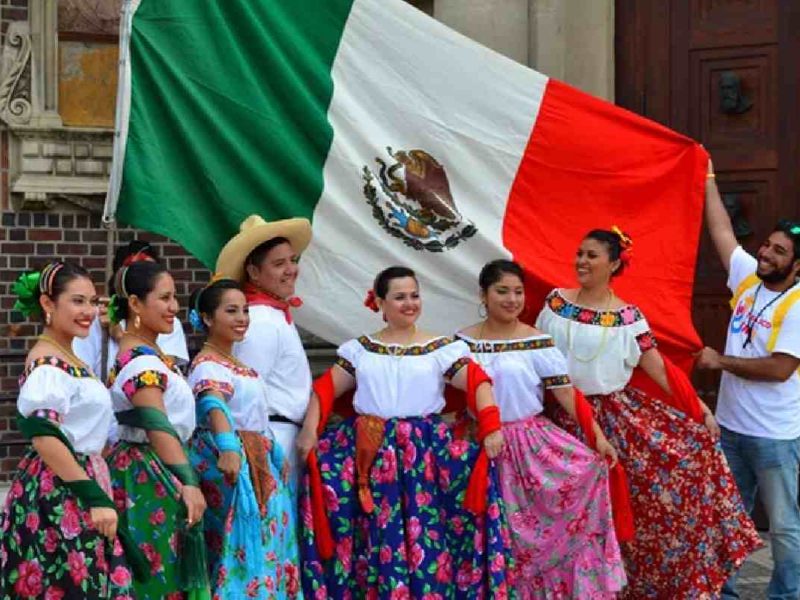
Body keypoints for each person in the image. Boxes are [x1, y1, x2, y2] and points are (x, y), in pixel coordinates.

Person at [536, 228, 762, 599]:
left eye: (591, 255)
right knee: (565, 514)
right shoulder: (556, 304)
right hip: (560, 417)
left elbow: (658, 367)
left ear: (613, 263)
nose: (581, 261)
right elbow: (538, 359)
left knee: (627, 505)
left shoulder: (629, 317)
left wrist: (699, 408)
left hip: (613, 417)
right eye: (579, 253)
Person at [296, 266, 511, 599]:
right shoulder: (361, 350)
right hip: (371, 451)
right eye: (399, 297)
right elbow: (325, 389)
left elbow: (477, 383)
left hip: (422, 455)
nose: (409, 303)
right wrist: (310, 431)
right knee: (375, 531)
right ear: (380, 303)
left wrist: (491, 427)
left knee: (427, 530)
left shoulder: (440, 348)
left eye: (414, 295)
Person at [457, 259, 626, 599]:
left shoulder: (537, 341)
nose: (511, 299)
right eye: (502, 291)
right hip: (481, 445)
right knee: (494, 529)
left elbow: (565, 393)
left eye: (517, 292)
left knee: (544, 526)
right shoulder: (462, 343)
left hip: (532, 446)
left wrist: (598, 438)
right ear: (484, 295)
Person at [696, 159, 800, 600]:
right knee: (727, 518)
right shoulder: (748, 281)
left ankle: (786, 594)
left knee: (784, 526)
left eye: (779, 252)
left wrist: (721, 363)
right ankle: (726, 594)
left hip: (775, 436)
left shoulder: (797, 305)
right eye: (767, 245)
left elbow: (780, 369)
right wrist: (707, 177)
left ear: (795, 267)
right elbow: (721, 230)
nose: (766, 253)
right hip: (731, 427)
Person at [0, 262, 135, 598]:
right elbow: (44, 435)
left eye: (92, 301)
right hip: (60, 490)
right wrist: (92, 496)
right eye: (77, 301)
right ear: (48, 304)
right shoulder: (48, 364)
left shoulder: (70, 359)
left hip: (79, 478)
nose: (89, 311)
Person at [186, 277, 302, 598]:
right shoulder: (207, 364)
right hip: (231, 463)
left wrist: (275, 455)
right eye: (231, 310)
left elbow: (257, 420)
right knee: (240, 544)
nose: (242, 318)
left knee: (271, 546)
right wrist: (227, 446)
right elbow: (213, 402)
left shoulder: (239, 366)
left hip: (258, 461)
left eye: (245, 310)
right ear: (208, 319)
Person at [105, 260, 209, 598]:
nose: (174, 308)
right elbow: (157, 425)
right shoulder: (141, 362)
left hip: (151, 468)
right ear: (135, 303)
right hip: (149, 475)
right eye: (164, 298)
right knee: (157, 570)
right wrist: (189, 483)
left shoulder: (146, 354)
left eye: (175, 297)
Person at [216, 215, 313, 494]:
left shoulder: (273, 315)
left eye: (293, 260)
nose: (291, 270)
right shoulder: (260, 320)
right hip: (270, 439)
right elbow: (248, 394)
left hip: (280, 436)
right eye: (279, 264)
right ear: (254, 273)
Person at [73, 240, 189, 381]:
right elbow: (80, 373)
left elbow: (163, 374)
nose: (174, 307)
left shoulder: (169, 321)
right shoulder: (94, 320)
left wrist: (121, 336)